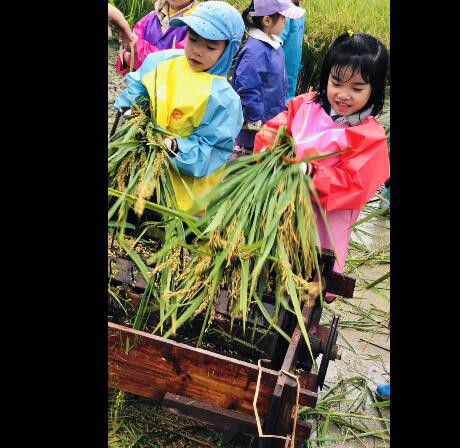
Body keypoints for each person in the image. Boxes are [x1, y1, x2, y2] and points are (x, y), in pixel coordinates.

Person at [254, 32, 390, 302]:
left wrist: (310, 173)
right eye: (336, 82)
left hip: (325, 221)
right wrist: (271, 153)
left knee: (312, 276)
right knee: (272, 262)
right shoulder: (306, 105)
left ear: (374, 89)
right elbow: (273, 131)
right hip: (285, 204)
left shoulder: (369, 137)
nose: (343, 94)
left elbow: (354, 184)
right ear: (326, 76)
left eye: (357, 88)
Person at [114, 1, 245, 211]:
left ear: (229, 50)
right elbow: (135, 90)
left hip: (181, 193)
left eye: (210, 47)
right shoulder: (161, 62)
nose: (197, 52)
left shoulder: (224, 99)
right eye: (192, 40)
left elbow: (212, 150)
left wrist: (175, 147)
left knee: (163, 232)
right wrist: (129, 112)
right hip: (139, 170)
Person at [231, 0, 305, 152]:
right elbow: (247, 88)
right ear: (267, 20)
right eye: (283, 18)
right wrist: (254, 119)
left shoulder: (272, 45)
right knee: (252, 158)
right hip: (256, 128)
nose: (285, 22)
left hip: (270, 121)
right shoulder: (256, 51)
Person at [115, 0, 199, 75]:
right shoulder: (150, 17)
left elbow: (175, 65)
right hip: (141, 87)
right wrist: (126, 57)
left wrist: (134, 51)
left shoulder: (197, 25)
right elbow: (124, 57)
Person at [278, 0, 306, 103]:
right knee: (284, 84)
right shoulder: (286, 12)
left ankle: (288, 102)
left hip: (294, 60)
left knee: (291, 80)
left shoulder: (299, 12)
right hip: (284, 60)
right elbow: (279, 38)